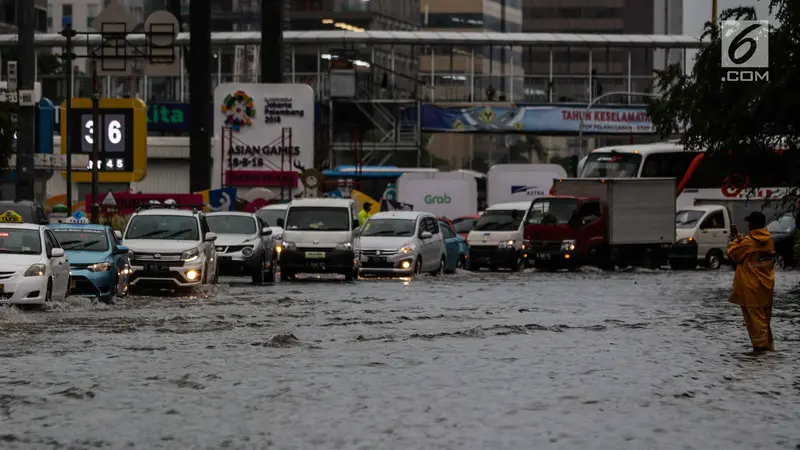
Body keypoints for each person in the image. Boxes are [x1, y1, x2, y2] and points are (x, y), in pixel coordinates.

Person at [727, 211, 776, 353]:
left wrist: (733, 239)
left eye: (749, 223)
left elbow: (733, 252)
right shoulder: (769, 239)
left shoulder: (749, 242)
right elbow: (750, 250)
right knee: (765, 322)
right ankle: (769, 351)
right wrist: (740, 238)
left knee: (755, 322)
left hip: (750, 288)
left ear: (752, 225)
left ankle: (760, 351)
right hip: (766, 287)